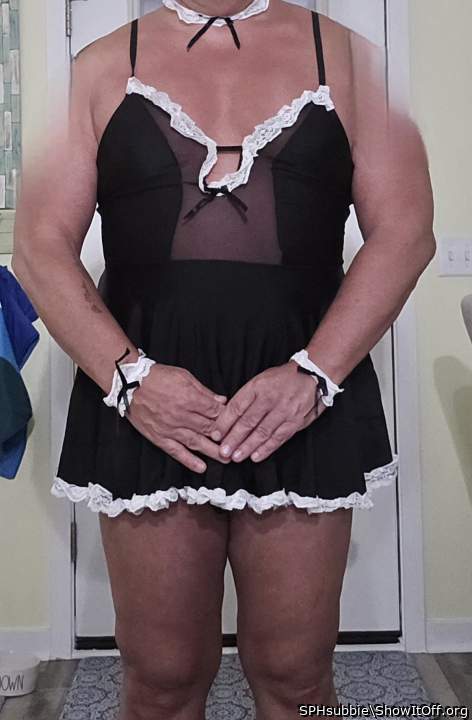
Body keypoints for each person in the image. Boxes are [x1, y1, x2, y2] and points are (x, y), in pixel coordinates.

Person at [13, 0, 435, 717]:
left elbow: (406, 231)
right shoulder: (99, 67)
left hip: (306, 398)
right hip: (145, 402)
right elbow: (38, 246)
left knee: (296, 676)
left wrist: (314, 375)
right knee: (163, 678)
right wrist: (130, 378)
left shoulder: (354, 60)